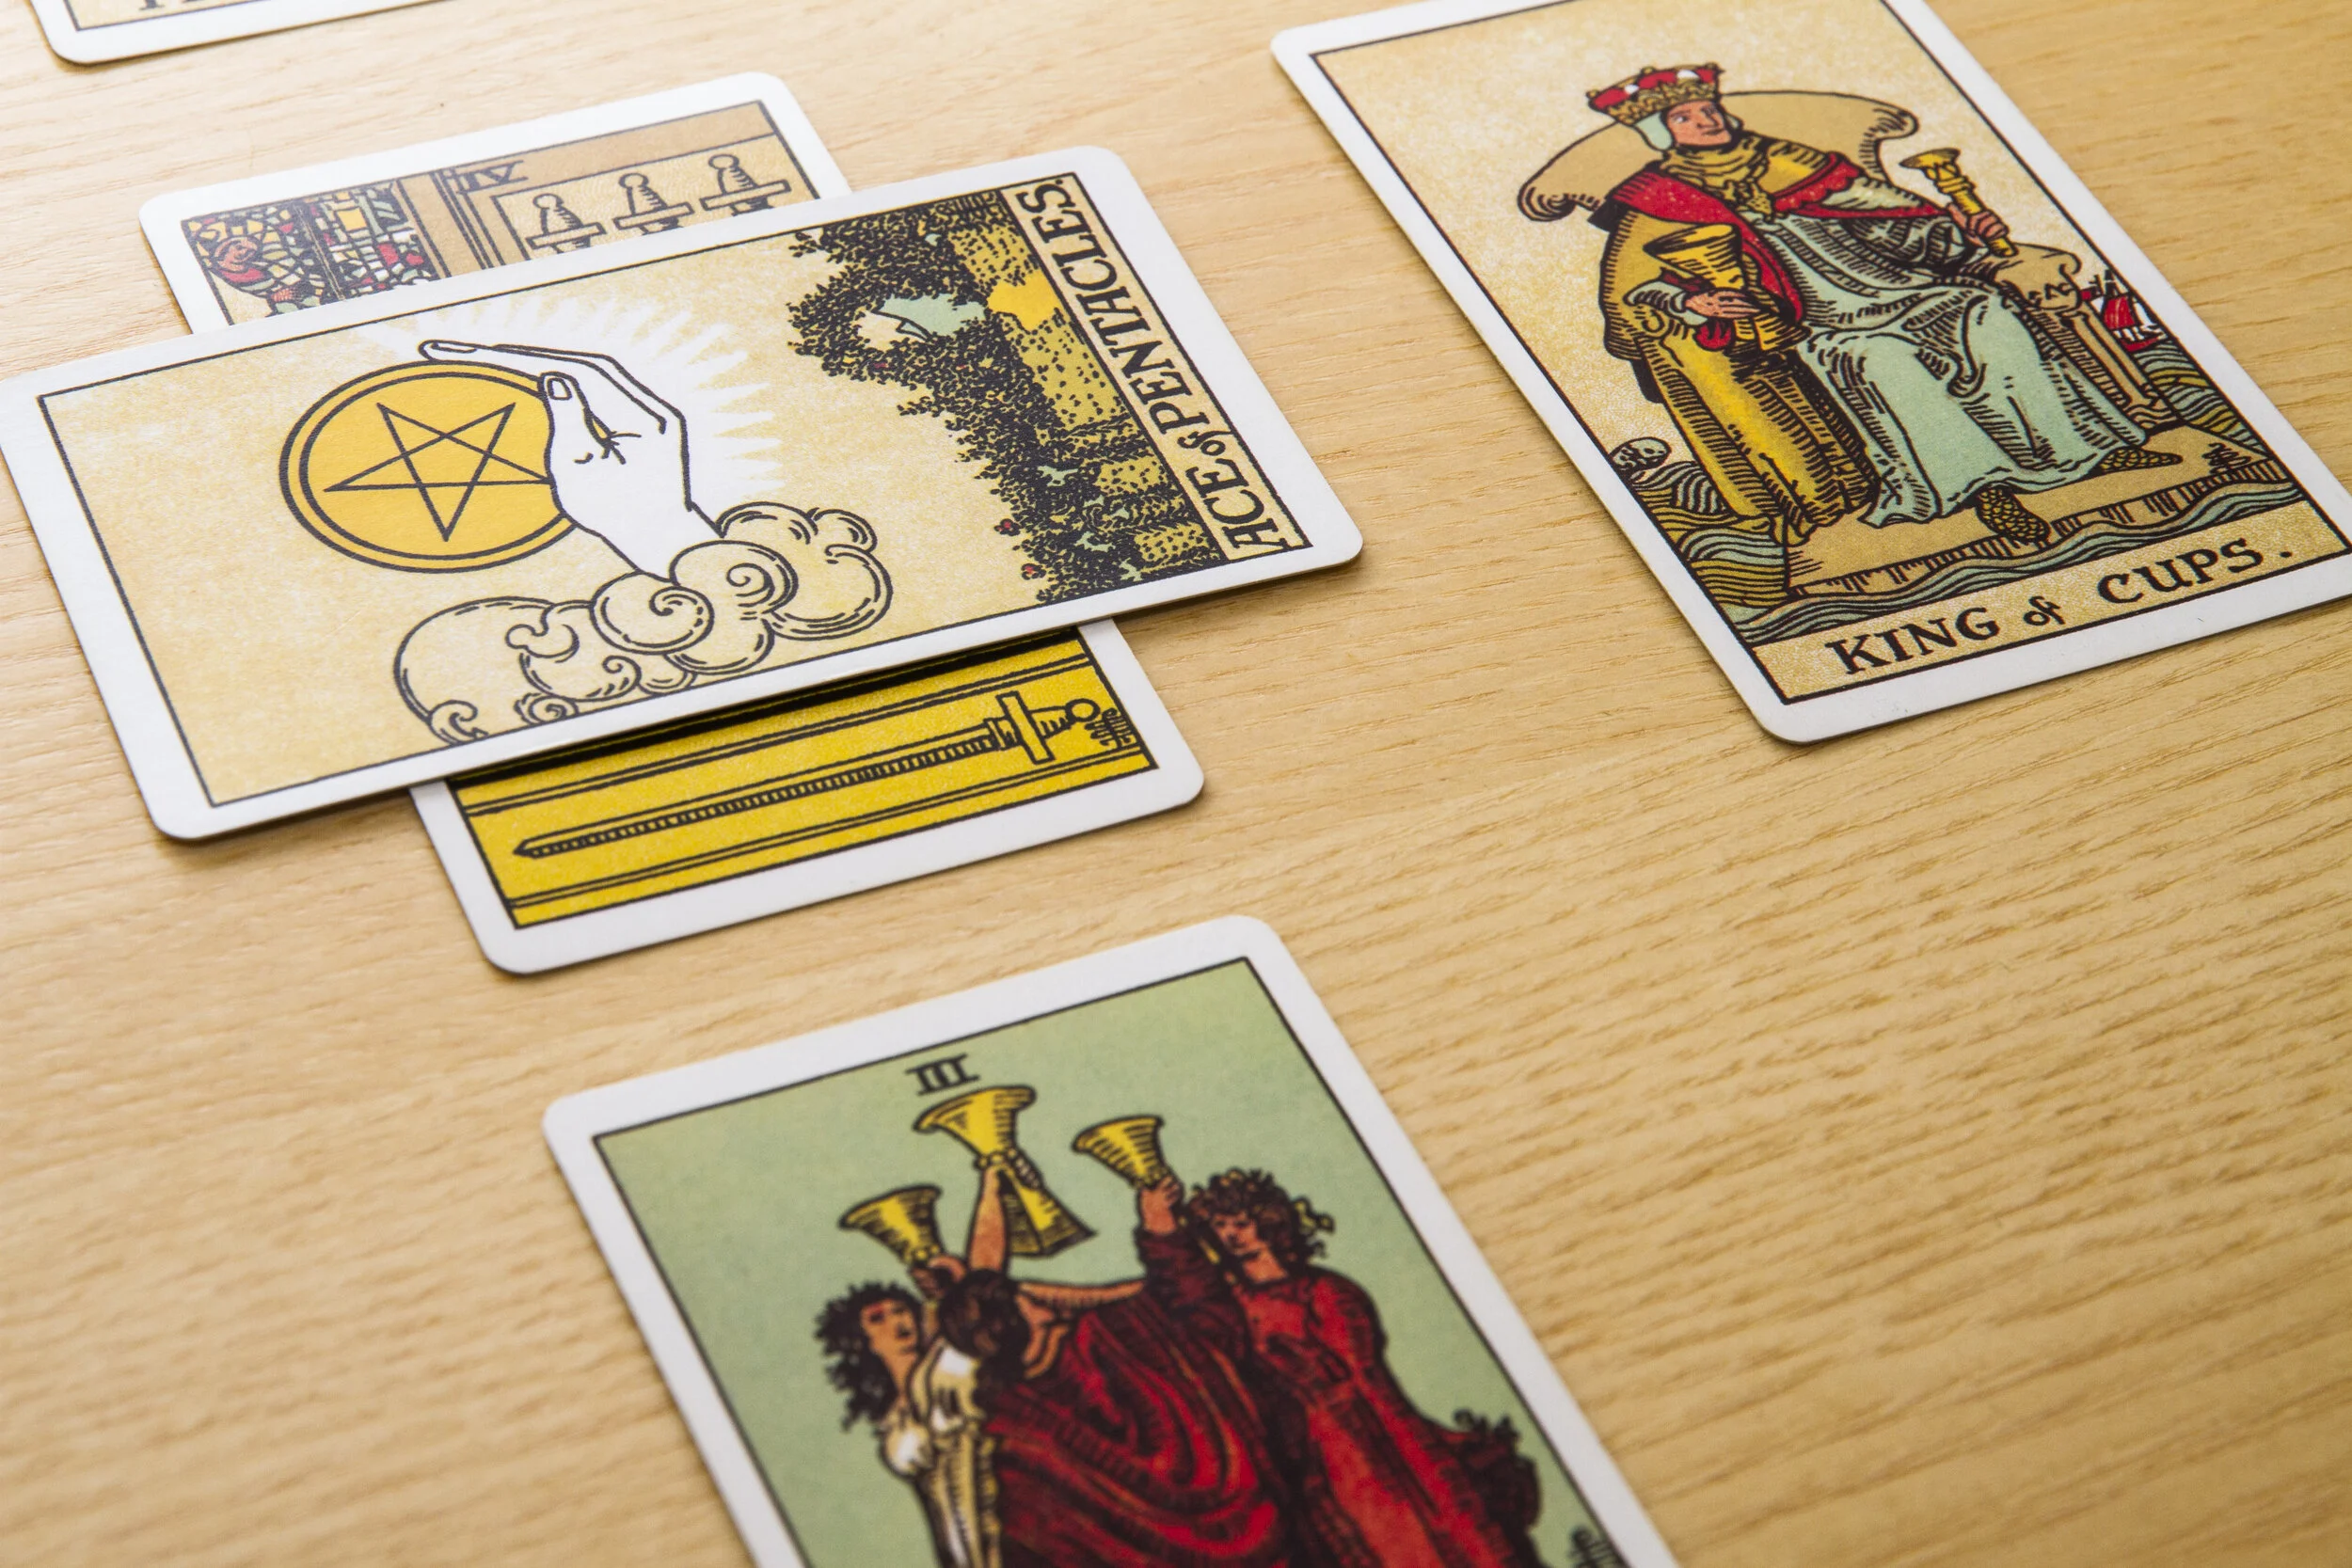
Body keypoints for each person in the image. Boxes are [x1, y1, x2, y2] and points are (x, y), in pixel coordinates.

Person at [1584, 64, 2172, 546]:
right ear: (1662, 132)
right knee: (1882, 362)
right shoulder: (1654, 200)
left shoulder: (1790, 160)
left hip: (1904, 290)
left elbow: (1894, 225)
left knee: (1987, 314)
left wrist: (1959, 231)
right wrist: (1698, 302)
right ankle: (1985, 491)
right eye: (1686, 117)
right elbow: (1631, 292)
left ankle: (2084, 452)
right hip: (1816, 322)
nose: (1705, 120)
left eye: (1708, 108)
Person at [930, 1163, 1303, 1568]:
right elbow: (1212, 1324)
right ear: (1024, 1318)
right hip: (1257, 1542)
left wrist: (991, 1184)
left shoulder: (1010, 1434)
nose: (1034, 1294)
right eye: (1024, 1297)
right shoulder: (1115, 1335)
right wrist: (1161, 1230)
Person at [1185, 1170, 1544, 1568]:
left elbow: (1363, 1378)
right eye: (1220, 1224)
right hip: (1308, 1453)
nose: (1231, 1234)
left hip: (1368, 1437)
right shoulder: (1233, 1302)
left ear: (1268, 1223)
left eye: (1241, 1222)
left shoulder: (1325, 1292)